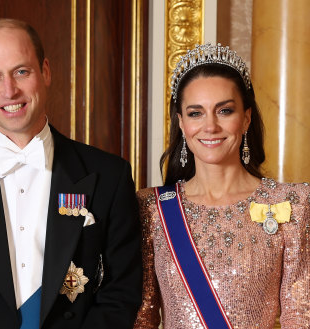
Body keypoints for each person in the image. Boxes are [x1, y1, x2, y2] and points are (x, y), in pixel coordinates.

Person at [0, 18, 142, 329]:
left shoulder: (109, 175)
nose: (9, 90)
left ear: (45, 71)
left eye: (21, 71)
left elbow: (121, 293)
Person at [133, 43, 310, 328]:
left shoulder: (293, 203)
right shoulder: (152, 209)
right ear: (181, 122)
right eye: (195, 113)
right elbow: (143, 318)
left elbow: (300, 316)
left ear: (246, 118)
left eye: (224, 111)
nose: (210, 126)